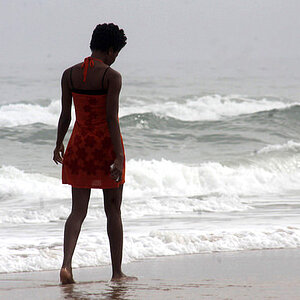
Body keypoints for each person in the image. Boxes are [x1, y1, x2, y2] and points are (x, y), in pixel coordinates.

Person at [53, 23, 136, 284]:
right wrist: (119, 157)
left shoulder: (69, 75)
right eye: (116, 53)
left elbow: (66, 115)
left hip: (78, 146)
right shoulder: (111, 77)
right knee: (113, 210)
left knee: (77, 211)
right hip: (104, 148)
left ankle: (66, 265)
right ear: (111, 50)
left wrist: (58, 143)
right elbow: (112, 119)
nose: (114, 59)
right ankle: (116, 273)